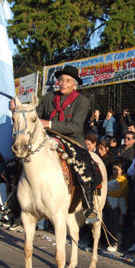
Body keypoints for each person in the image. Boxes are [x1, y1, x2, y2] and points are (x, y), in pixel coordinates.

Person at [39, 65, 101, 224]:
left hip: (72, 140)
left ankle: (89, 205)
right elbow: (35, 117)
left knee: (84, 165)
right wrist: (17, 110)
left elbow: (75, 127)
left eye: (67, 80)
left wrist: (49, 124)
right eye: (61, 80)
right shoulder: (48, 98)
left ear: (75, 84)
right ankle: (13, 203)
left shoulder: (82, 101)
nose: (63, 83)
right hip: (47, 139)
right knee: (20, 159)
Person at [106, 159, 128, 252]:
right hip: (110, 205)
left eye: (117, 169)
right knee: (111, 224)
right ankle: (112, 241)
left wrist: (109, 193)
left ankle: (117, 243)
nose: (115, 172)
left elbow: (120, 193)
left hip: (119, 206)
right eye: (113, 170)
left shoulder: (124, 180)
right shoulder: (111, 179)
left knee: (118, 224)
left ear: (122, 170)